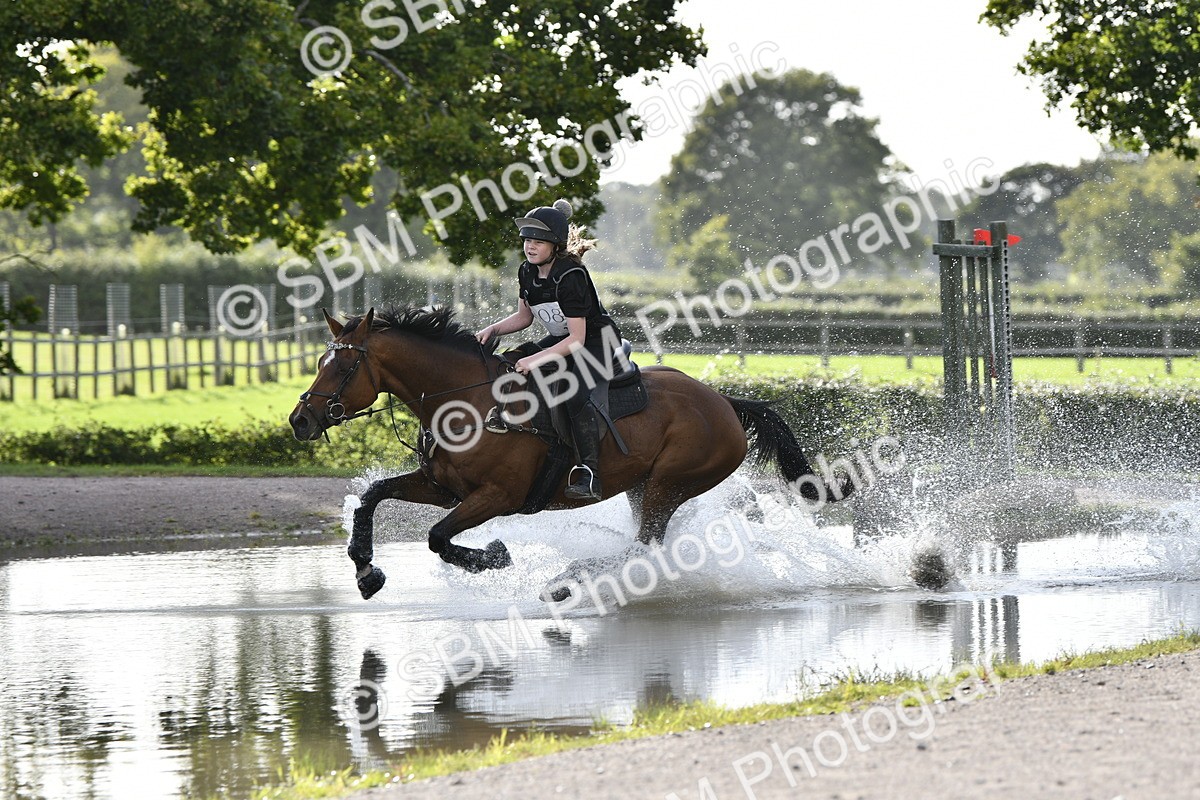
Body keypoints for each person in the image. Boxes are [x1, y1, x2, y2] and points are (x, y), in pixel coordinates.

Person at [476, 199, 621, 504]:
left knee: (573, 391)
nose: (530, 247)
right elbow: (524, 318)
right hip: (563, 340)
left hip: (597, 344)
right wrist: (493, 329)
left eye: (538, 242)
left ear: (554, 245)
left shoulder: (571, 276)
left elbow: (577, 340)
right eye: (527, 240)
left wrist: (535, 359)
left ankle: (589, 471)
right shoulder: (526, 272)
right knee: (508, 362)